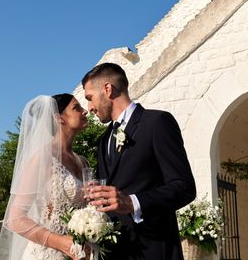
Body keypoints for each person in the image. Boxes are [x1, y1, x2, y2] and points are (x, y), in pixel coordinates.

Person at [82, 62, 196, 260]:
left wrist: (133, 202)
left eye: (90, 98)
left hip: (154, 250)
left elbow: (184, 187)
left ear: (107, 89)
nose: (89, 107)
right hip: (115, 253)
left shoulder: (157, 123)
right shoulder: (103, 140)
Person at [0, 93, 89, 260]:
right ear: (59, 118)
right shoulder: (43, 158)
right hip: (47, 254)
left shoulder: (83, 162)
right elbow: (15, 219)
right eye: (77, 108)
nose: (85, 111)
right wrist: (62, 243)